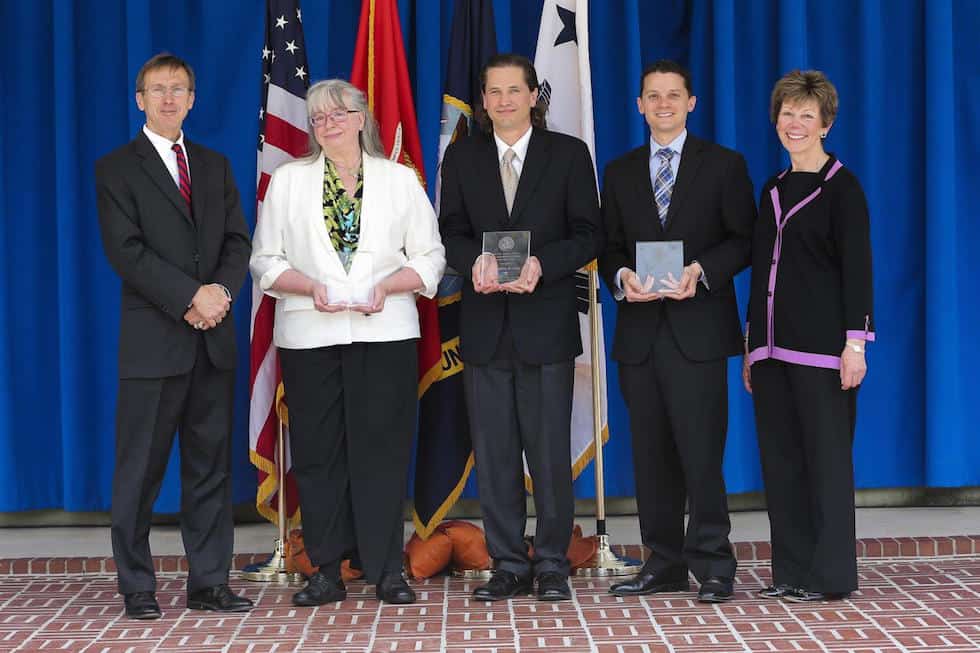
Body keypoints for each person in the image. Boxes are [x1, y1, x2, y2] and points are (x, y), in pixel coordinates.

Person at [250, 79, 445, 606]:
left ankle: (386, 570)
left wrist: (388, 285)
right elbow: (264, 261)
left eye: (340, 113)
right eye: (318, 117)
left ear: (363, 118)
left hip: (386, 334)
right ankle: (326, 570)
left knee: (380, 452)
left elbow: (430, 258)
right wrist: (310, 286)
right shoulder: (289, 181)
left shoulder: (400, 180)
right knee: (318, 455)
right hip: (309, 335)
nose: (328, 122)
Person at [95, 53, 253, 620]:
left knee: (210, 470)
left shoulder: (214, 165)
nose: (168, 98)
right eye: (157, 90)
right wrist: (192, 297)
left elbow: (237, 242)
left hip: (213, 341)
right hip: (154, 345)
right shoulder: (116, 169)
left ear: (193, 98)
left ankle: (209, 583)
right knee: (138, 472)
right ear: (139, 99)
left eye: (178, 89)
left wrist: (221, 296)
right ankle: (137, 586)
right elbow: (127, 252)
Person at [439, 54, 601, 602]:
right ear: (482, 99)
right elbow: (451, 232)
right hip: (485, 326)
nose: (504, 100)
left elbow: (588, 235)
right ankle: (507, 562)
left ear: (535, 95)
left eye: (515, 90)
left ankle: (551, 561)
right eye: (494, 91)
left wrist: (544, 264)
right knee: (496, 450)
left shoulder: (569, 155)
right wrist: (472, 261)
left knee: (549, 451)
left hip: (546, 324)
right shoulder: (461, 157)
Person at [599, 60, 756, 603]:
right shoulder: (617, 172)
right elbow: (609, 247)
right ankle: (662, 563)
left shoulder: (725, 166)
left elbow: (744, 240)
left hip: (699, 334)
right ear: (638, 105)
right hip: (640, 335)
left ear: (692, 103)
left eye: (673, 95)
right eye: (652, 96)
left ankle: (714, 564)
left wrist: (701, 272)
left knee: (701, 454)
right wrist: (621, 275)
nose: (662, 104)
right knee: (650, 456)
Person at [743, 70, 874, 603]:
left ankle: (832, 577)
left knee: (827, 466)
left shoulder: (843, 188)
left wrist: (855, 343)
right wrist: (752, 346)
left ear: (826, 123)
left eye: (805, 115)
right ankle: (791, 573)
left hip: (824, 353)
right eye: (787, 114)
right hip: (771, 352)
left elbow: (858, 270)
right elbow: (759, 270)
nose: (794, 124)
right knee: (782, 463)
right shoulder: (772, 188)